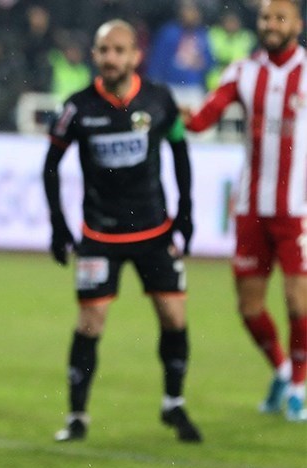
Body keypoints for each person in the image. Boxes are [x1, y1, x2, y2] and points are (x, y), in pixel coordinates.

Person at [43, 19, 201, 443]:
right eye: (104, 50)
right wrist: (58, 225)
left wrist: (186, 212)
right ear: (95, 55)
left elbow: (180, 151)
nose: (110, 57)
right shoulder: (78, 107)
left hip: (154, 231)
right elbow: (51, 165)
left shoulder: (159, 100)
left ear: (135, 56)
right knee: (90, 322)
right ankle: (77, 416)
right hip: (100, 235)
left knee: (173, 316)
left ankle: (174, 403)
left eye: (119, 50)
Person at [183, 0, 307, 422]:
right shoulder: (242, 71)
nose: (271, 25)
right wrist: (172, 113)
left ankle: (299, 387)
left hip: (297, 210)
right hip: (252, 208)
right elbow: (202, 120)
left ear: (297, 25)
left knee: (298, 301)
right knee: (250, 308)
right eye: (266, 18)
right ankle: (283, 370)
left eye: (280, 18)